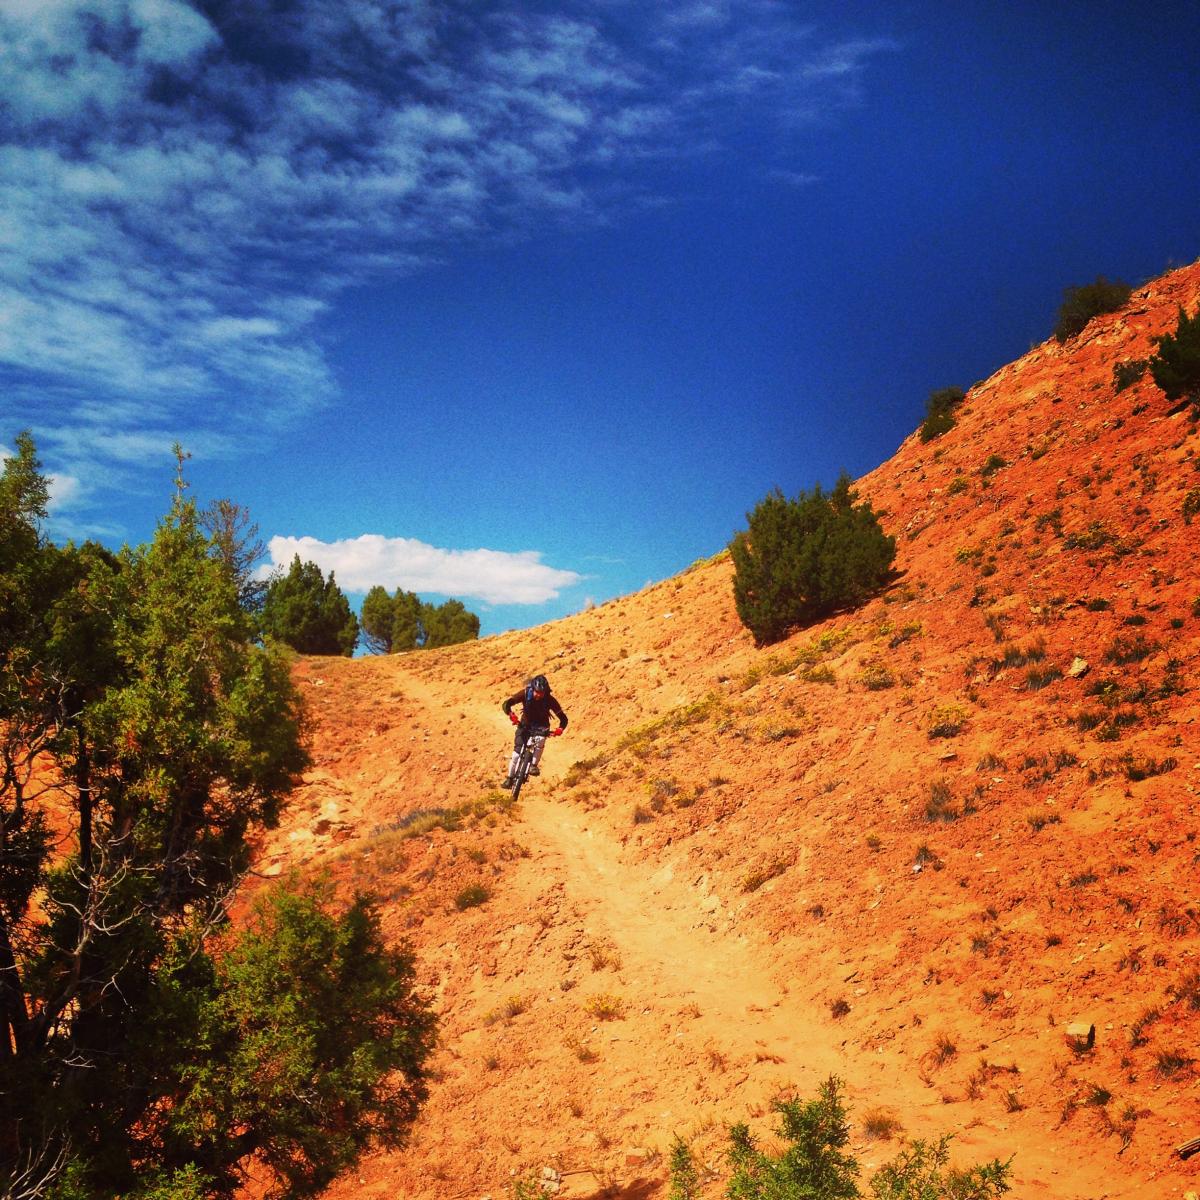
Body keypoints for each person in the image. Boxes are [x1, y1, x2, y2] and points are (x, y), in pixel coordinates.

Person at [501, 673, 567, 787]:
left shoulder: (550, 700)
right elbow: (506, 704)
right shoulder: (525, 693)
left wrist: (560, 729)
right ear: (533, 688)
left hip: (542, 726)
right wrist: (511, 714)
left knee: (541, 739)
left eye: (542, 693)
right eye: (537, 692)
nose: (539, 695)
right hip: (525, 725)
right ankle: (510, 778)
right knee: (516, 755)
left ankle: (534, 766)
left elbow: (563, 719)